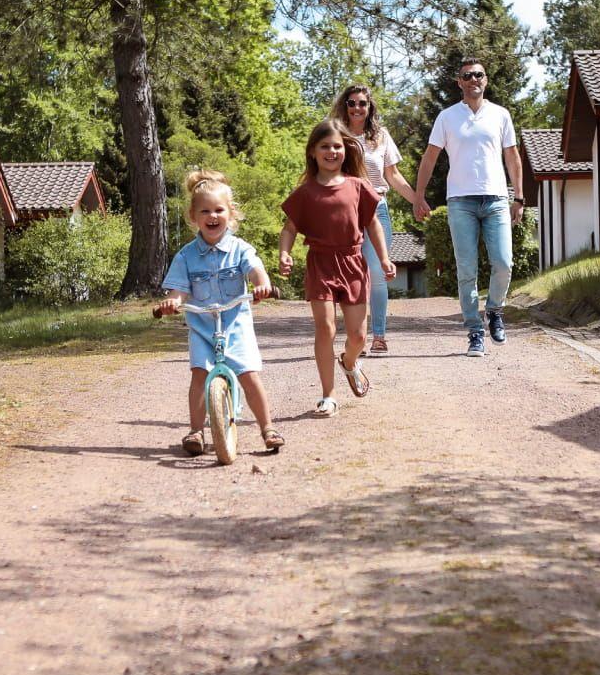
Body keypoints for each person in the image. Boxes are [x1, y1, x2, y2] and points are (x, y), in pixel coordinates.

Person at [160, 169, 281, 455]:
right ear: (193, 216)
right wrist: (172, 301)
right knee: (199, 374)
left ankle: (268, 427)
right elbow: (177, 288)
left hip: (236, 324)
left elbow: (255, 270)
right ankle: (196, 431)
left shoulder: (240, 249)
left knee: (249, 375)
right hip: (203, 328)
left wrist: (262, 285)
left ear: (231, 213)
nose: (212, 217)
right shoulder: (186, 256)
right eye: (205, 211)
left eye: (219, 210)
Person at [279, 119, 396, 417]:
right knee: (325, 327)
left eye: (337, 146)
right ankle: (328, 394)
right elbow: (290, 228)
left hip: (354, 262)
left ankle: (348, 361)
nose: (332, 151)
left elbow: (373, 224)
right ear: (313, 152)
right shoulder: (305, 192)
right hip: (320, 263)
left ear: (346, 150)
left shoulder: (358, 186)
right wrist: (285, 253)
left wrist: (383, 259)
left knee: (358, 336)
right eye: (325, 146)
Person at [412, 58, 523, 357]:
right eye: (467, 76)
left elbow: (512, 157)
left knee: (503, 263)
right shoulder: (447, 118)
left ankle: (495, 311)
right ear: (459, 82)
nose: (474, 79)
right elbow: (430, 157)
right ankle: (475, 331)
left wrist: (519, 197)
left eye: (479, 75)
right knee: (467, 270)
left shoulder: (500, 115)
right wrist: (419, 195)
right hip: (460, 202)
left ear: (486, 80)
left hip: (497, 199)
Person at [329, 84, 414, 354]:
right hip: (345, 212)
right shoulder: (336, 135)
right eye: (352, 103)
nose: (357, 108)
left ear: (369, 107)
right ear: (345, 106)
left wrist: (417, 200)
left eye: (362, 103)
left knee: (377, 274)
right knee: (353, 277)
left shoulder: (381, 136)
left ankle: (379, 335)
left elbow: (393, 176)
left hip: (377, 208)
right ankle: (357, 338)